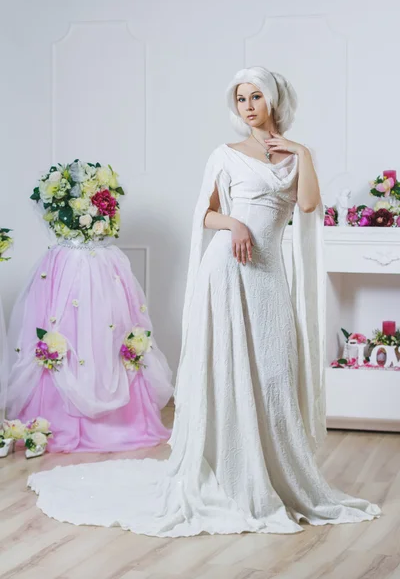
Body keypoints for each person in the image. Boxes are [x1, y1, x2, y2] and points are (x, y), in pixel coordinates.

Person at [27, 66, 381, 536]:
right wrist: (233, 224)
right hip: (227, 271)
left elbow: (310, 205)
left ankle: (277, 476)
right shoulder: (226, 155)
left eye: (257, 96)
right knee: (226, 369)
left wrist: (302, 152)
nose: (249, 106)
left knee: (275, 371)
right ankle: (232, 475)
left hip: (269, 275)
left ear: (274, 101)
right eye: (241, 99)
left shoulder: (295, 157)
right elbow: (206, 212)